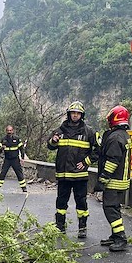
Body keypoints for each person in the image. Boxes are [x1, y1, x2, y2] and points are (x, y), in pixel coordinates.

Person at [47, 100, 99, 238]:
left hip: (79, 176)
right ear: (68, 114)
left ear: (82, 115)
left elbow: (99, 150)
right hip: (63, 175)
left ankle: (82, 228)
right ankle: (60, 226)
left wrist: (86, 162)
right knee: (61, 201)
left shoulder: (89, 132)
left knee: (81, 201)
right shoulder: (59, 130)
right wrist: (53, 141)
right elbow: (50, 146)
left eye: (78, 113)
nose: (75, 115)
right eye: (73, 113)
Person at [96, 105, 132, 252]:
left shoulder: (116, 137)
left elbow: (112, 160)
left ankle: (121, 238)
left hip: (114, 181)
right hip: (122, 180)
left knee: (110, 208)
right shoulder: (123, 135)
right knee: (115, 208)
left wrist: (103, 179)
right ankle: (115, 236)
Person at [0, 125, 27, 193]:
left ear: (13, 131)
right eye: (8, 131)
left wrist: (22, 158)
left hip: (15, 159)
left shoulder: (17, 139)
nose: (9, 132)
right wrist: (1, 148)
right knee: (3, 173)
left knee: (19, 174)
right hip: (7, 159)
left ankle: (24, 188)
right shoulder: (3, 139)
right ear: (6, 131)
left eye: (10, 130)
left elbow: (21, 149)